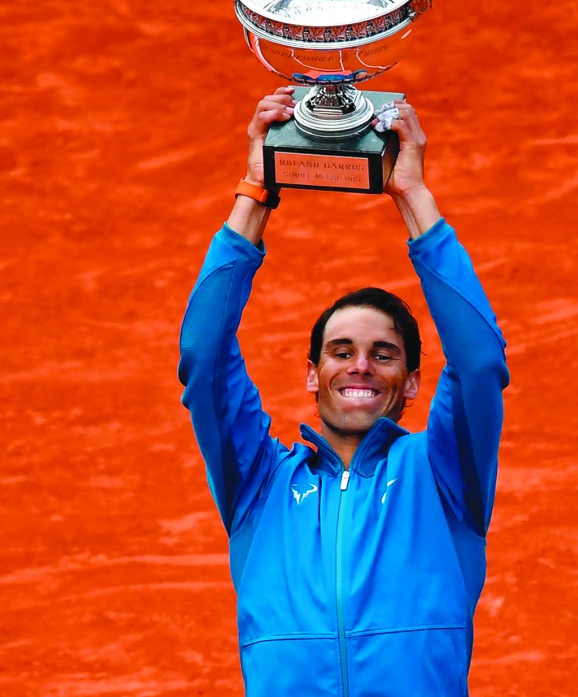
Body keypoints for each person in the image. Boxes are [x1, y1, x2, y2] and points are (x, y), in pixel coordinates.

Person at [178, 85, 509, 696]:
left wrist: (413, 199)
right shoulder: (259, 484)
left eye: (383, 355)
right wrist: (256, 190)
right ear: (312, 374)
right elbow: (203, 357)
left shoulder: (444, 476)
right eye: (340, 352)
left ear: (411, 381)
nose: (360, 367)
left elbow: (480, 361)